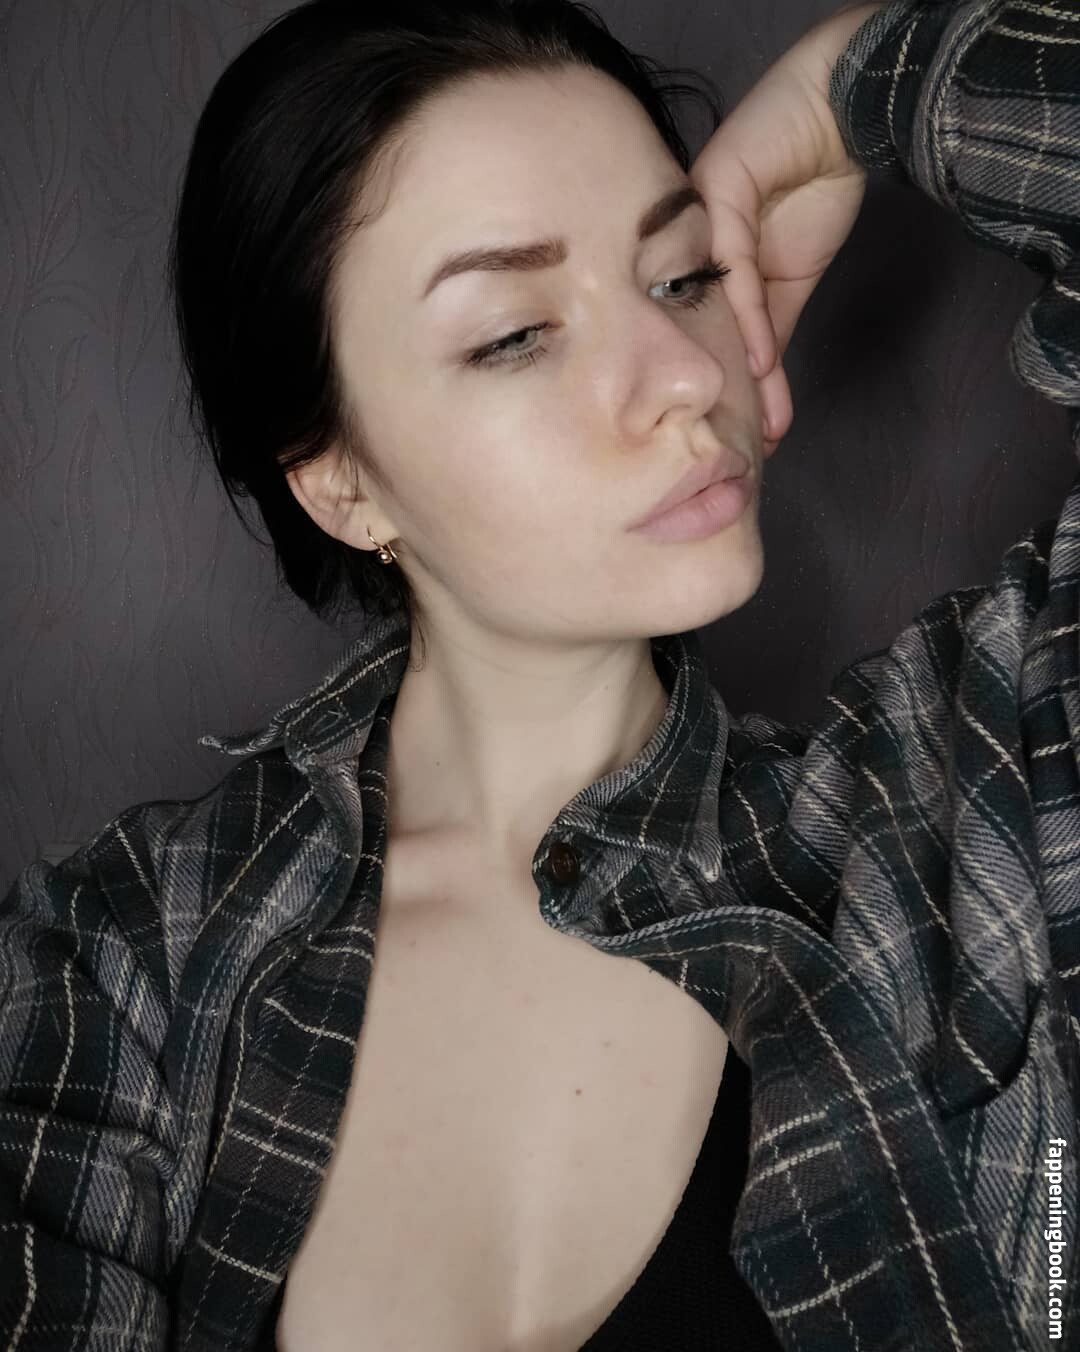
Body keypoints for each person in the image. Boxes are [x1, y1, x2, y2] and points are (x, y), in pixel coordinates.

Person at [1, 0, 1077, 1347]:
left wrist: (858, 84)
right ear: (340, 480)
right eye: (515, 333)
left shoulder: (952, 813)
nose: (683, 378)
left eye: (682, 276)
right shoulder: (119, 962)